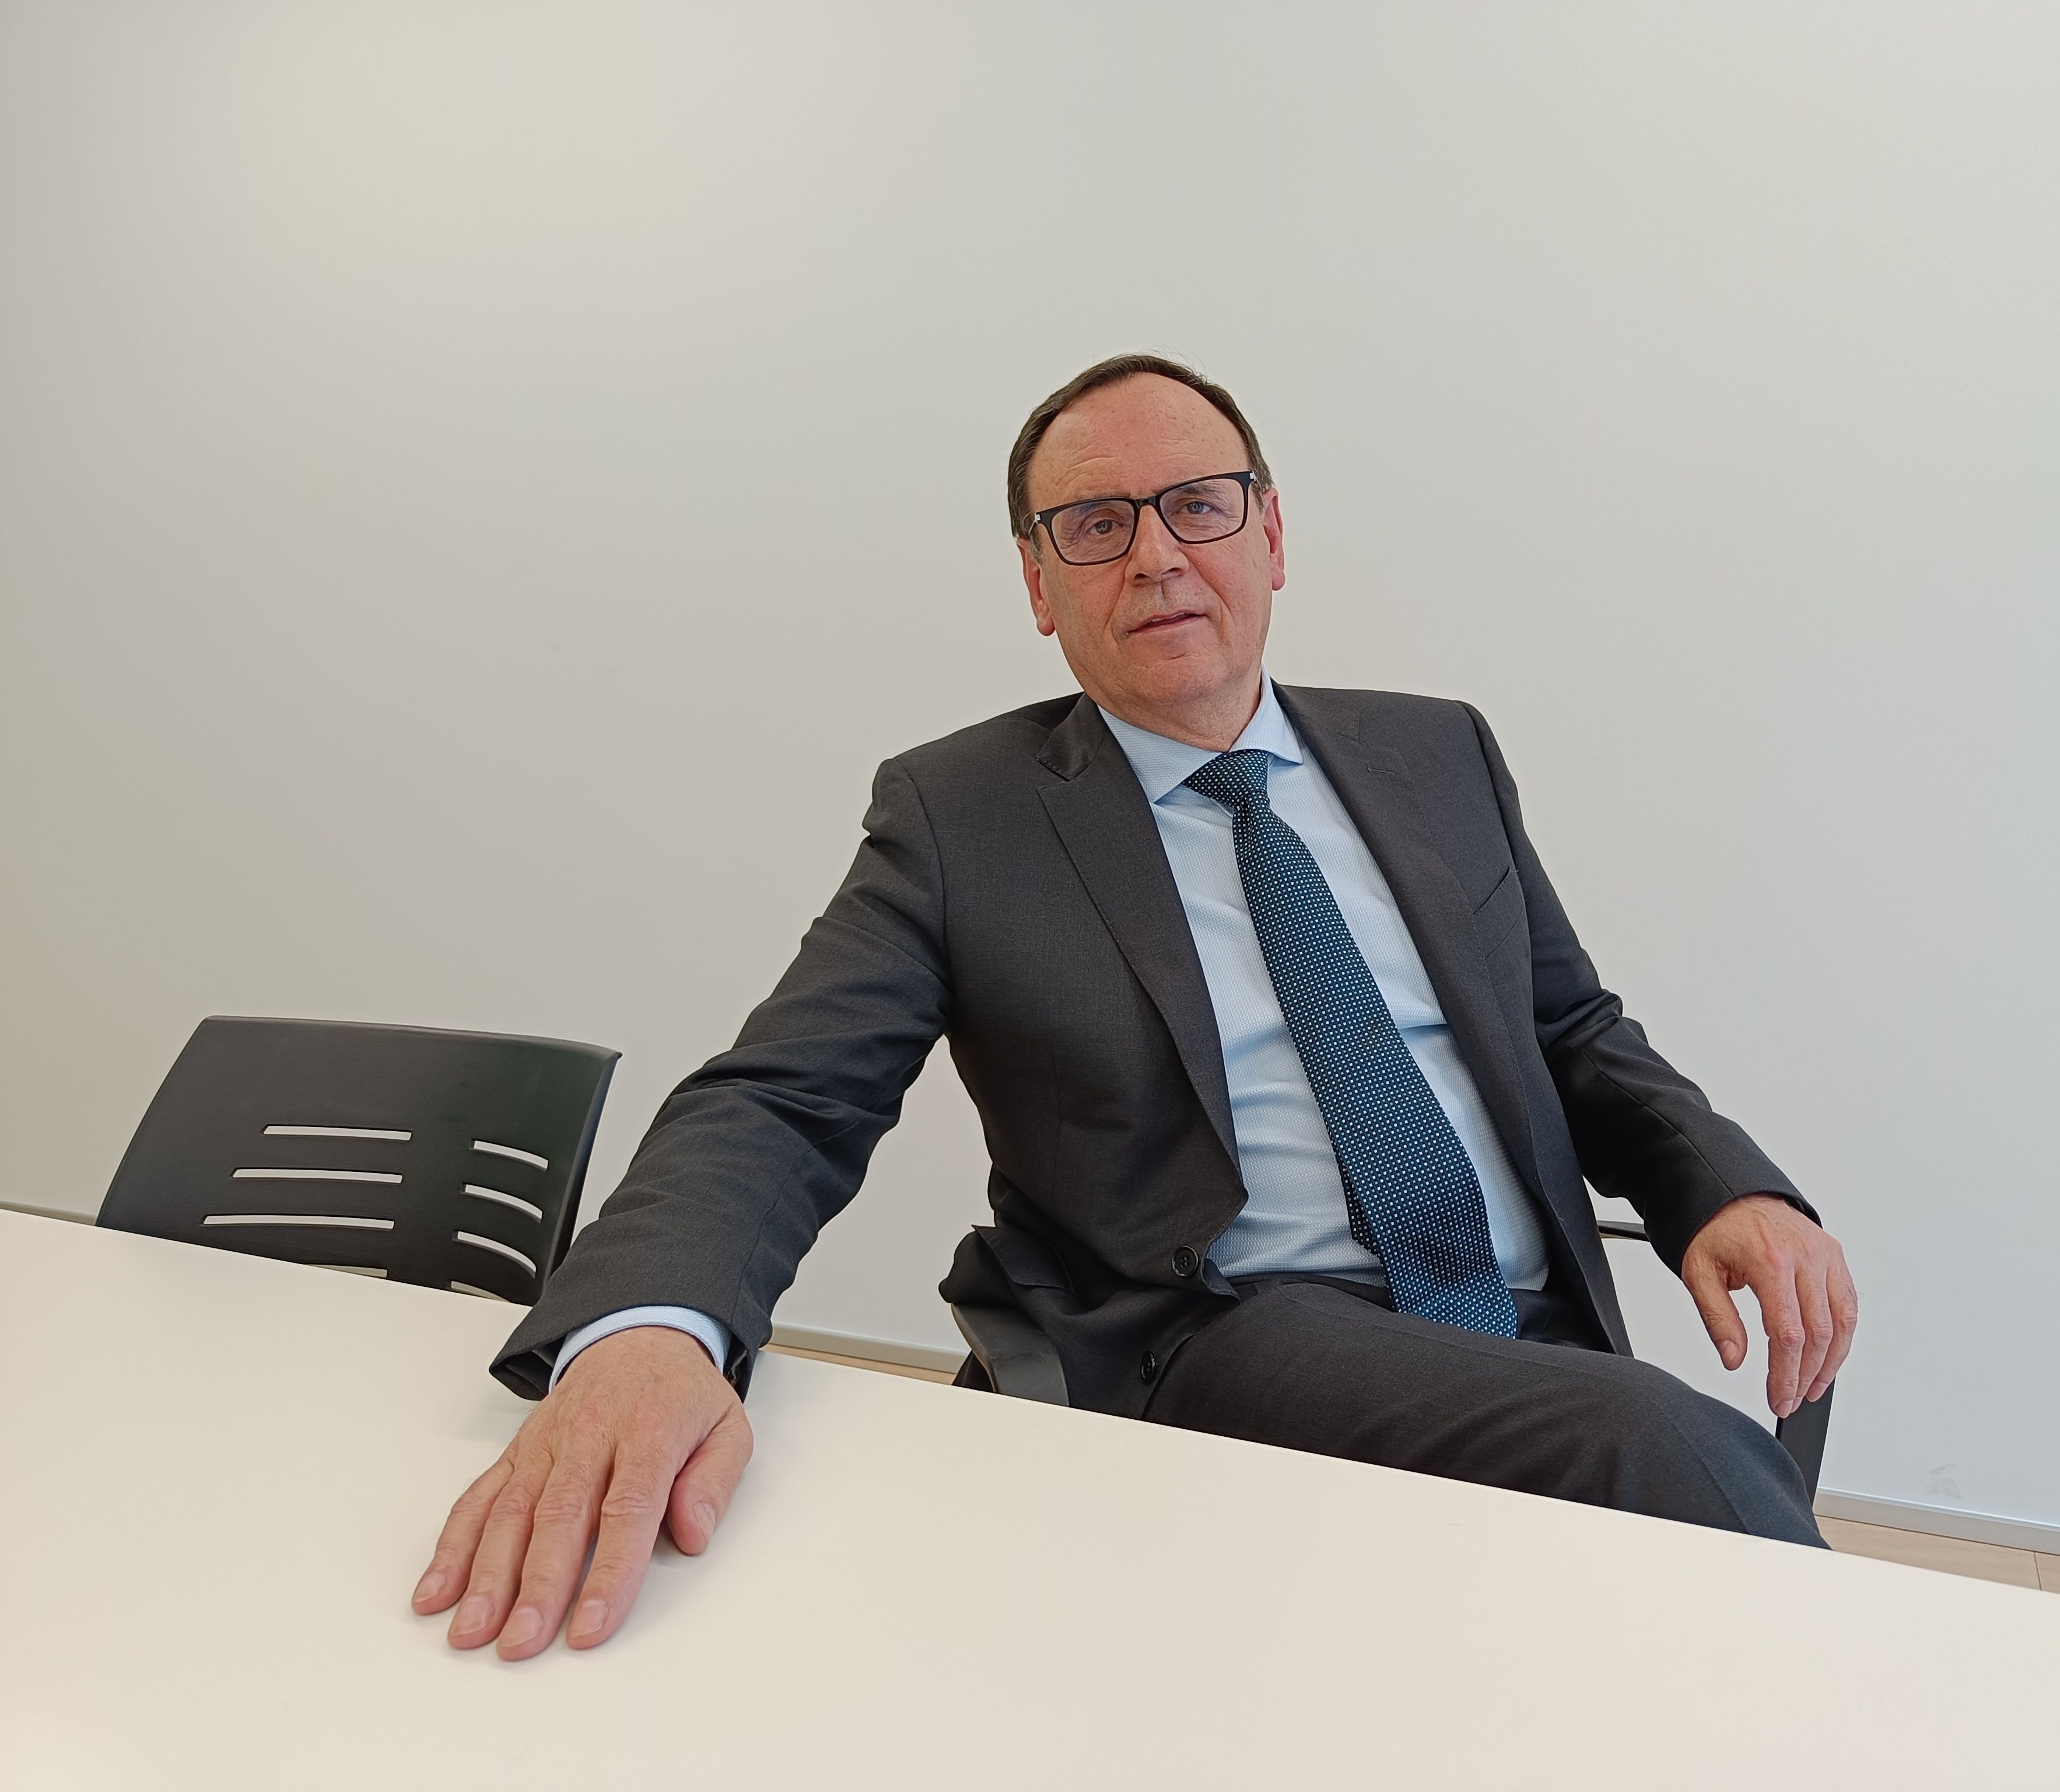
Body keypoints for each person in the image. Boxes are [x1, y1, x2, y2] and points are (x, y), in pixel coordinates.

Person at [414, 354, 1859, 1661]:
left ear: (1270, 536)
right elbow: (788, 1095)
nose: (1157, 554)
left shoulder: (1436, 754)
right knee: (1672, 1455)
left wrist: (1718, 1185)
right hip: (1230, 1326)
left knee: (1630, 1582)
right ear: (1038, 586)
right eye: (1095, 525)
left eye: (1198, 506)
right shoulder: (963, 818)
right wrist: (652, 1331)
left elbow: (1571, 1028)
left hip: (1520, 1320)